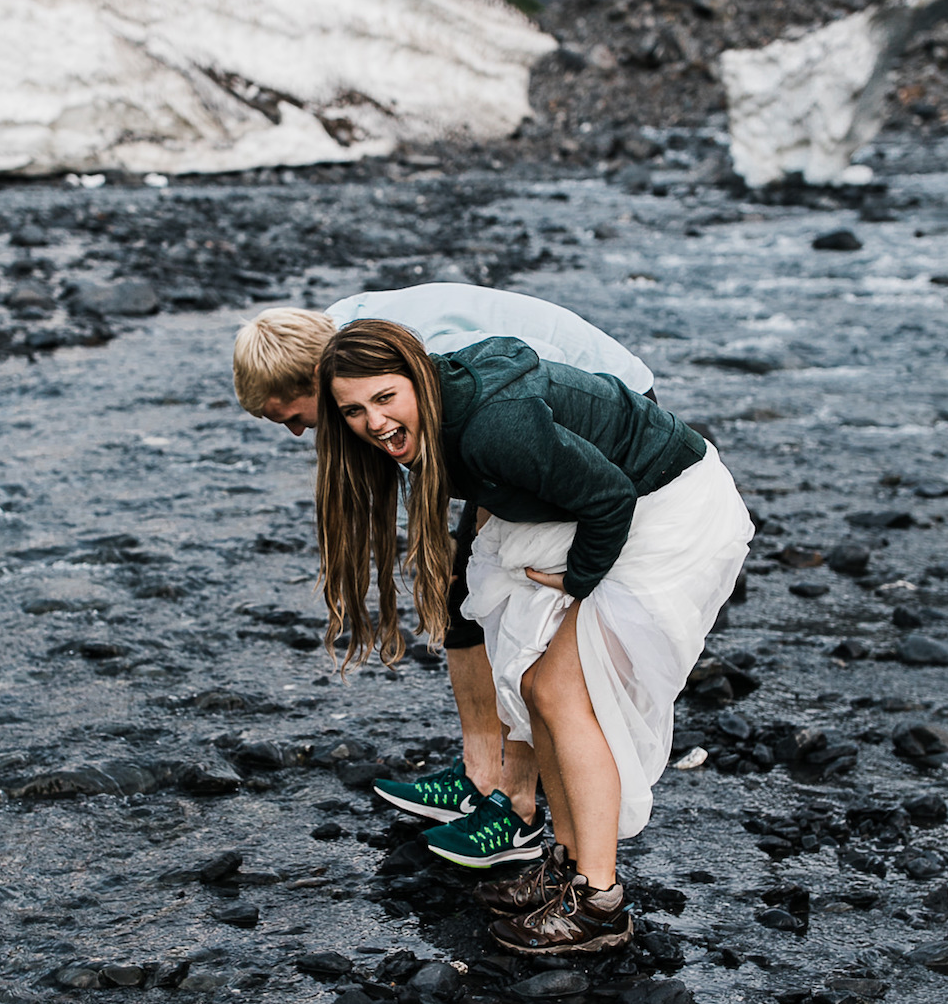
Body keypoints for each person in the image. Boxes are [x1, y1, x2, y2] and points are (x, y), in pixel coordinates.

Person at [317, 321, 751, 955]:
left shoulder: (498, 428)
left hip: (669, 506)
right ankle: (568, 866)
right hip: (621, 502)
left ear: (419, 376)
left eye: (386, 397)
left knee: (558, 689)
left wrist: (577, 580)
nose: (374, 422)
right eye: (353, 410)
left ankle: (599, 903)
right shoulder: (438, 424)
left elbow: (609, 497)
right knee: (533, 684)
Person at [231, 285, 656, 870]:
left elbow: (512, 420)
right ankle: (480, 775)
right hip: (507, 430)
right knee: (463, 596)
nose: (299, 434)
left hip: (597, 415)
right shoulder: (342, 344)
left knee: (513, 607)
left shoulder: (416, 361)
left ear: (315, 385)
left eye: (292, 419)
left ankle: (516, 806)